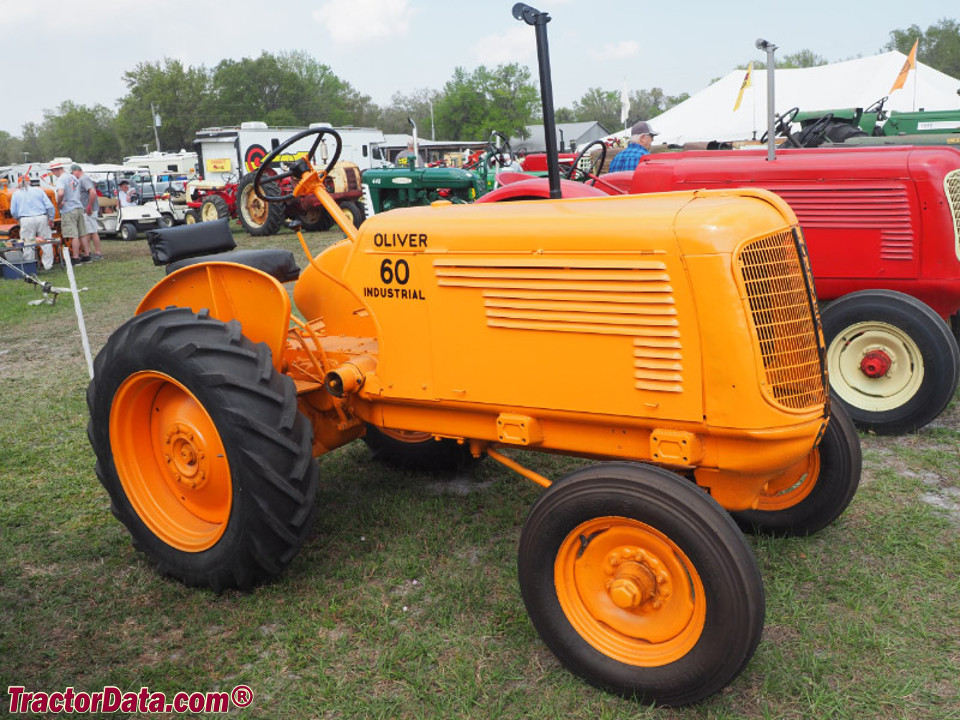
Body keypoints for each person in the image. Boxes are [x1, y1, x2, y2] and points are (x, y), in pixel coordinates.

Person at [9, 175, 56, 270]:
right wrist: (51, 218)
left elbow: (13, 211)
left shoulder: (16, 194)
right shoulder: (39, 190)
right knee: (45, 241)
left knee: (27, 242)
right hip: (41, 217)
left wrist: (18, 218)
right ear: (29, 182)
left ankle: (29, 265)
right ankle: (48, 265)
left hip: (26, 219)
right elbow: (50, 206)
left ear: (18, 184)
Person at [50, 159, 90, 263]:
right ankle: (87, 255)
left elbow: (60, 193)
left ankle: (76, 257)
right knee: (83, 233)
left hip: (68, 209)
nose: (52, 173)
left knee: (73, 235)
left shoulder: (61, 179)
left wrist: (59, 204)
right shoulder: (73, 177)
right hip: (78, 207)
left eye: (52, 171)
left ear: (56, 170)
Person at [72, 164, 103, 260]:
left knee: (93, 231)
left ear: (77, 170)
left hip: (89, 210)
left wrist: (89, 206)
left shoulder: (83, 179)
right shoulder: (82, 179)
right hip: (87, 209)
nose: (73, 174)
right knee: (88, 231)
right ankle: (88, 252)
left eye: (73, 172)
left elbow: (92, 192)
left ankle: (98, 253)